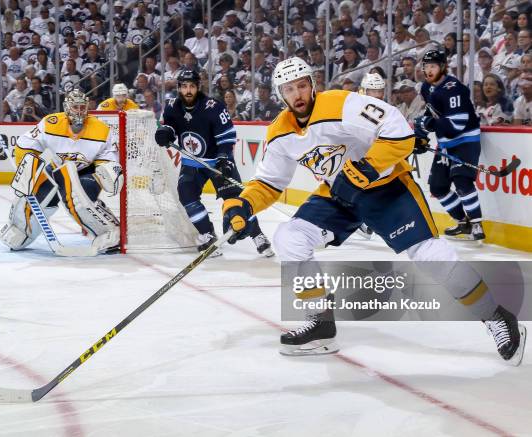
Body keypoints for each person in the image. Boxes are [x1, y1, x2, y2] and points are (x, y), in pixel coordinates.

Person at [221, 57, 526, 365]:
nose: (298, 94)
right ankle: (321, 324)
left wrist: (366, 167)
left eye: (302, 85)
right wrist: (243, 204)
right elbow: (269, 183)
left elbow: (397, 129)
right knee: (289, 237)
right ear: (280, 94)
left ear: (313, 85)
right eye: (289, 89)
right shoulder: (279, 133)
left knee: (431, 255)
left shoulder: (341, 104)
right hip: (338, 193)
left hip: (387, 186)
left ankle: (497, 317)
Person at [154, 69, 273, 257]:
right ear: (178, 88)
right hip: (192, 162)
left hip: (217, 162)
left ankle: (258, 235)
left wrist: (225, 158)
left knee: (236, 202)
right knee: (187, 195)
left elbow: (226, 136)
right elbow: (170, 126)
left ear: (198, 87)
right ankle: (208, 234)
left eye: (192, 86)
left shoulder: (213, 107)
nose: (188, 91)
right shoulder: (171, 106)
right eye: (184, 86)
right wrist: (165, 132)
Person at [0, 89, 122, 254]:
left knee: (78, 198)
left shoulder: (101, 129)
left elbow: (108, 157)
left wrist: (107, 171)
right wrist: (27, 167)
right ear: (67, 107)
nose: (79, 111)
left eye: (82, 107)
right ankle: (21, 230)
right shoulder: (51, 122)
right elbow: (26, 144)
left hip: (87, 170)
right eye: (75, 107)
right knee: (37, 192)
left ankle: (109, 232)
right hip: (59, 167)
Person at [414, 50, 485, 241]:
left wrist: (428, 124)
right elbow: (434, 115)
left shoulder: (455, 88)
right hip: (445, 143)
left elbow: (457, 123)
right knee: (437, 187)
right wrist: (420, 135)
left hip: (465, 140)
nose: (428, 71)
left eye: (433, 66)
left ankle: (477, 222)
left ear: (443, 67)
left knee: (462, 180)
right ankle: (463, 222)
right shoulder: (426, 88)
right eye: (426, 67)